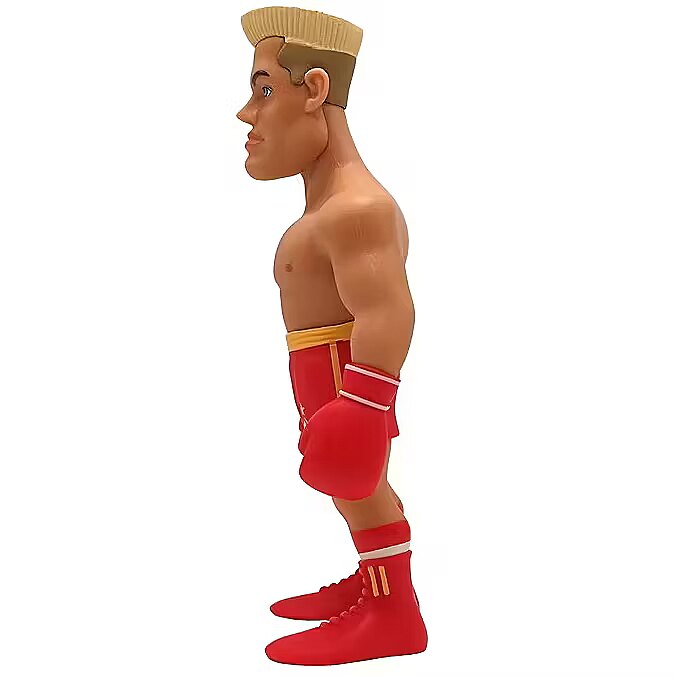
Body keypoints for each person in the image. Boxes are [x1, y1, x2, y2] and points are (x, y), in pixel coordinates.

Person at [236, 6, 427, 666]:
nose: (246, 114)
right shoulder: (329, 208)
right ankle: (374, 580)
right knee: (352, 491)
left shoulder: (357, 209)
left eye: (265, 90)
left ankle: (392, 613)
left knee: (361, 487)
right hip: (324, 372)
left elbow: (388, 311)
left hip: (348, 376)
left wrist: (365, 406)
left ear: (315, 90)